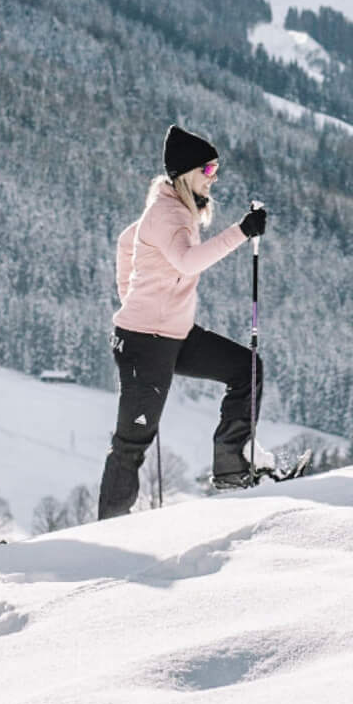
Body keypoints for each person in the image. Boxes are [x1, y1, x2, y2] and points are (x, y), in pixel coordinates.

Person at [97, 125, 271, 519]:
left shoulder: (171, 209)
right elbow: (187, 262)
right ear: (186, 173)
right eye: (208, 170)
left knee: (247, 369)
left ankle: (231, 468)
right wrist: (241, 232)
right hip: (145, 342)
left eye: (216, 169)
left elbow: (128, 242)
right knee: (132, 443)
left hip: (173, 334)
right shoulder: (168, 213)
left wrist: (133, 294)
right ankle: (103, 533)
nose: (214, 177)